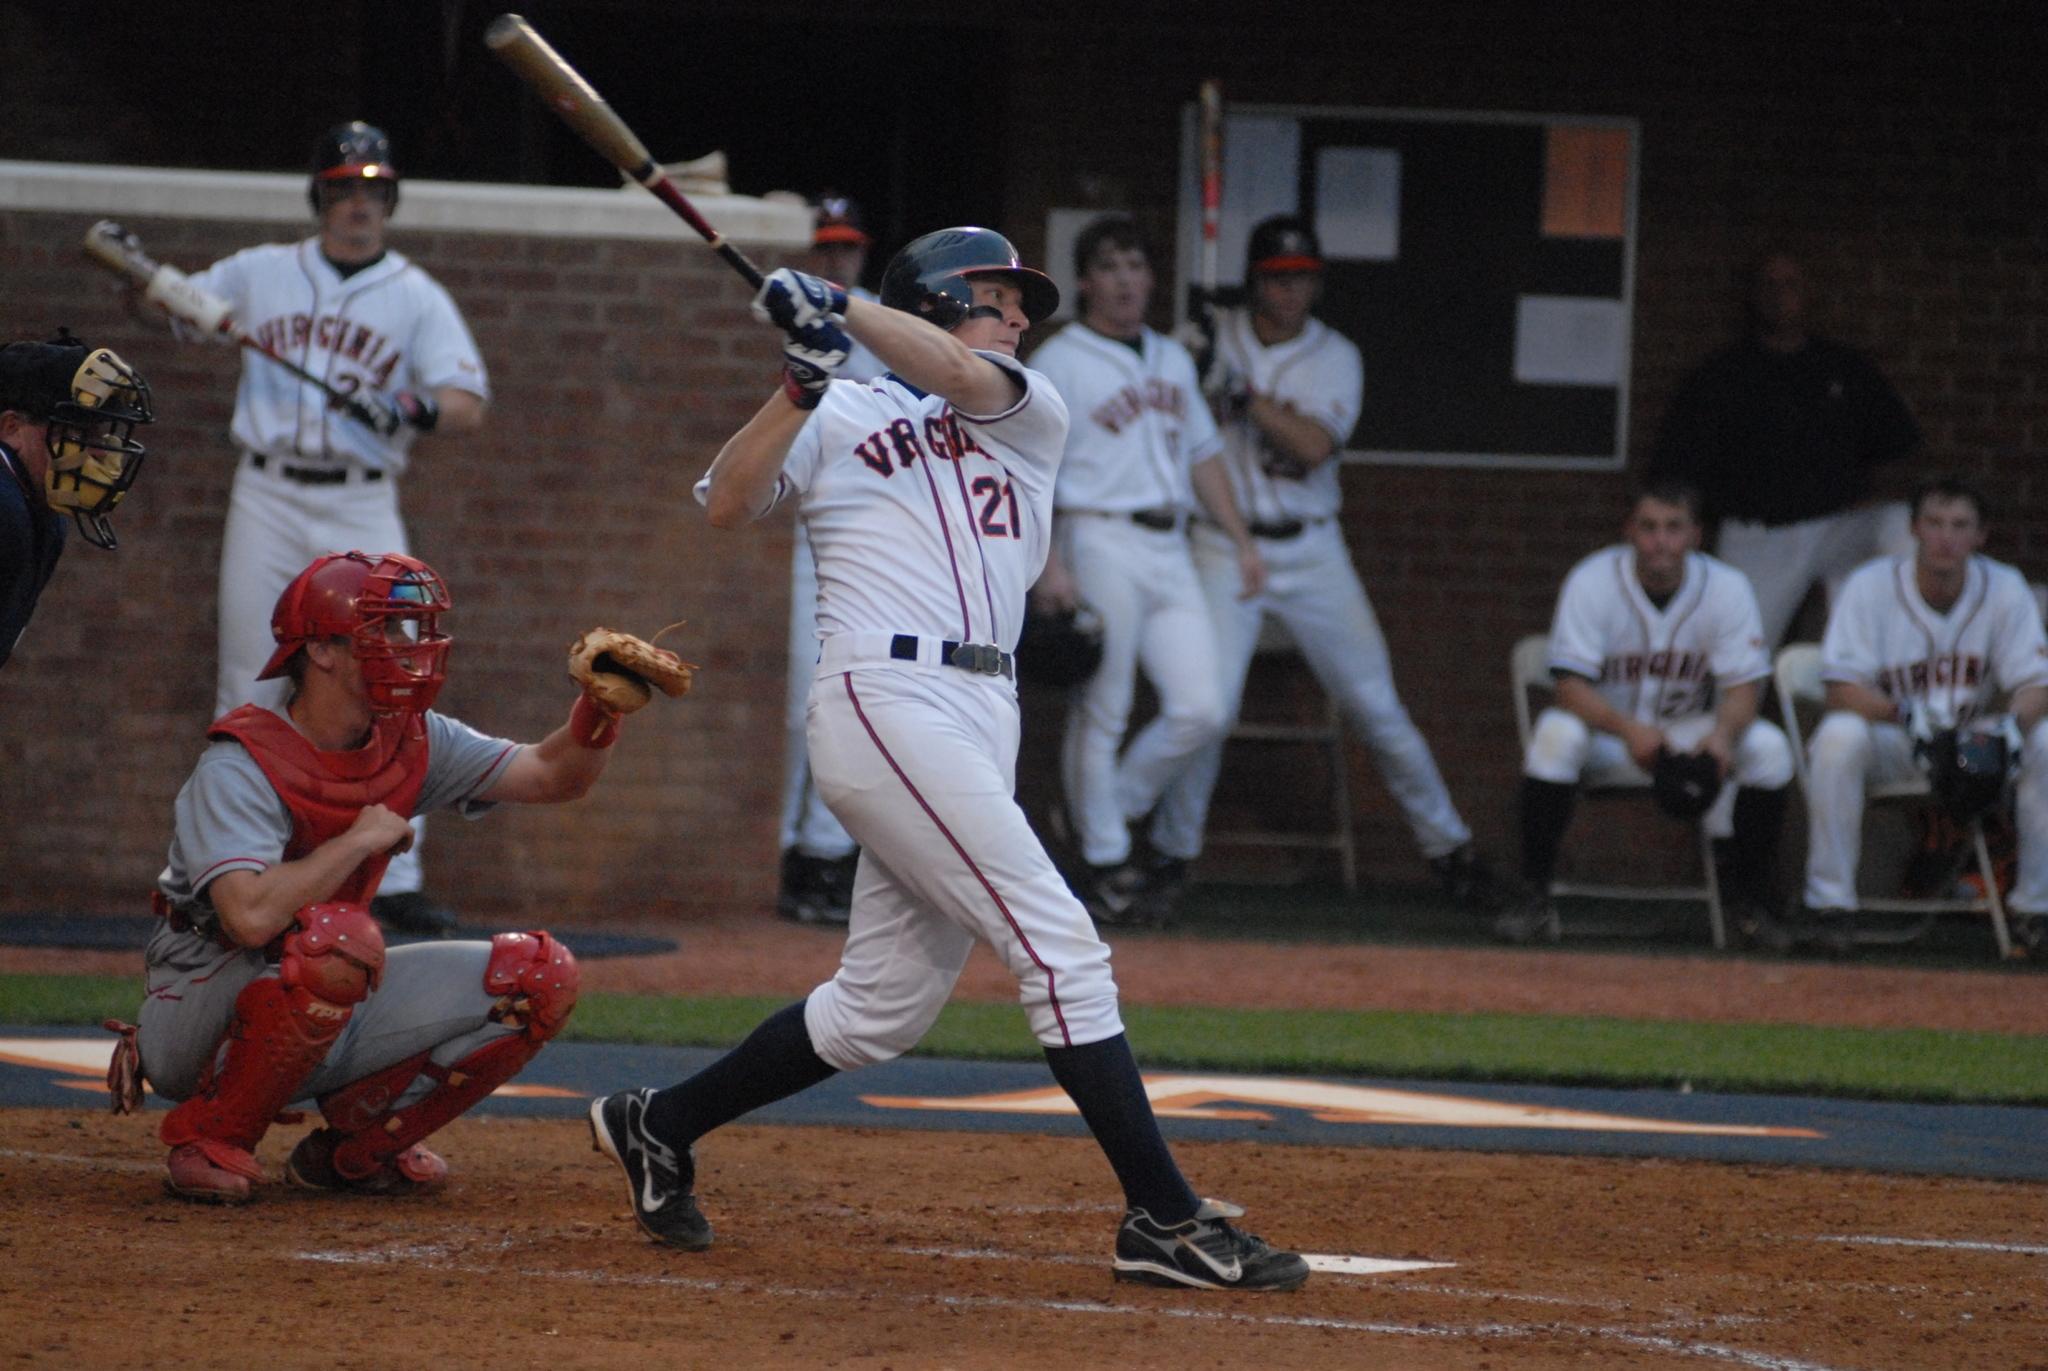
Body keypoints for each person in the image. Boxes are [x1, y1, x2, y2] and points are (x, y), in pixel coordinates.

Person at [588, 228, 1309, 1291]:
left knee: (878, 1010)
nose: (1019, 317)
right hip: (883, 695)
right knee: (1060, 946)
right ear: (929, 296)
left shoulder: (1025, 404)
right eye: (994, 296)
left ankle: (661, 1122)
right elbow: (729, 502)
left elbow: (957, 370)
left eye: (1021, 303)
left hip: (981, 706)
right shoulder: (836, 412)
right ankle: (1160, 1217)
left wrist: (834, 302)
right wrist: (795, 384)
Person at [112, 548, 658, 1203]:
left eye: (413, 629)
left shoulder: (412, 737)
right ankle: (211, 1136)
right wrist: (359, 839)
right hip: (199, 1003)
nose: (411, 648)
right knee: (340, 940)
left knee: (540, 975)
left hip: (320, 976)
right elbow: (249, 915)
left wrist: (598, 712)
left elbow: (552, 775)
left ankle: (356, 1150)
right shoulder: (240, 766)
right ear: (321, 652)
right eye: (386, 630)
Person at [147, 121, 490, 938]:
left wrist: (406, 404)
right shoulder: (264, 270)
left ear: (390, 200)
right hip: (266, 490)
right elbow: (176, 303)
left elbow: (467, 401)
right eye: (343, 189)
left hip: (360, 502)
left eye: (372, 189)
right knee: (249, 676)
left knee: (390, 675)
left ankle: (396, 875)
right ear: (321, 197)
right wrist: (147, 281)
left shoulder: (414, 294)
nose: (358, 204)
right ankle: (230, 860)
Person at [1149, 215, 1501, 910]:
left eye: (1302, 277)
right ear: (1256, 279)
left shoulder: (1336, 355)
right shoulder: (1213, 338)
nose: (1290, 291)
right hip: (1225, 543)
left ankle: (1449, 850)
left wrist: (1240, 391)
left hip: (1312, 547)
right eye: (1278, 278)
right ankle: (1168, 859)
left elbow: (1312, 444)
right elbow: (1166, 415)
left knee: (1377, 705)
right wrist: (1184, 365)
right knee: (1207, 707)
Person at [1025, 214, 1265, 923]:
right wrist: (1049, 562)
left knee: (1202, 706)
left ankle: (1101, 813)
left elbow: (1203, 456)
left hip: (1171, 542)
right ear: (1086, 282)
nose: (1126, 278)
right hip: (1098, 536)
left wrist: (1243, 538)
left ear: (1152, 278)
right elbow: (1032, 471)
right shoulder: (1059, 360)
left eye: (1136, 265)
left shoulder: (1169, 357)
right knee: (1105, 706)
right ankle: (1103, 862)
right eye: (1110, 266)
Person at [1494, 482, 1794, 944]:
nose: (1660, 541)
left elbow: (1743, 690)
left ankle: (1750, 905)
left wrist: (1722, 737)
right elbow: (1569, 688)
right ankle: (1532, 897)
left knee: (1770, 748)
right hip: (1609, 735)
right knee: (1555, 735)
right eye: (1649, 527)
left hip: (1686, 735)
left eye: (1673, 528)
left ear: (1695, 535)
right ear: (1630, 531)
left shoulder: (1726, 588)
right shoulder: (1592, 580)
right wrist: (1627, 730)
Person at [1780, 476, 2048, 954]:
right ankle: (1830, 906)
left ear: (1980, 535)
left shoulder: (2004, 587)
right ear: (1915, 529)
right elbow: (1840, 689)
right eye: (1935, 523)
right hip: (1900, 738)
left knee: (2045, 740)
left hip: (1972, 743)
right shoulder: (1871, 585)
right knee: (1839, 737)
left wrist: (2008, 727)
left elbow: (2036, 684)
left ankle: (2034, 911)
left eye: (1960, 525)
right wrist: (1900, 712)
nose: (1946, 537)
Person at [1649, 249, 1921, 649]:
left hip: (1835, 527)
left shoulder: (1843, 368)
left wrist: (1866, 496)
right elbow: (1676, 468)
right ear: (1753, 295)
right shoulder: (1721, 374)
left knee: (1900, 522)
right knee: (1741, 654)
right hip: (1758, 533)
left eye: (1791, 285)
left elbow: (1901, 448)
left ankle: (1905, 649)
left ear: (1808, 294)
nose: (1780, 295)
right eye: (1770, 285)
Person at [777, 194, 884, 925]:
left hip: (860, 526)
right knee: (792, 705)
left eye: (846, 247)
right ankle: (785, 847)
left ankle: (823, 852)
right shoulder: (774, 311)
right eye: (825, 247)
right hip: (790, 523)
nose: (836, 260)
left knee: (847, 696)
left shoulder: (881, 319)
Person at [1, 331, 152, 667]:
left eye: (99, 433)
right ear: (11, 428)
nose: (98, 450)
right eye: (78, 432)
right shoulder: (7, 509)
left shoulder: (42, 513)